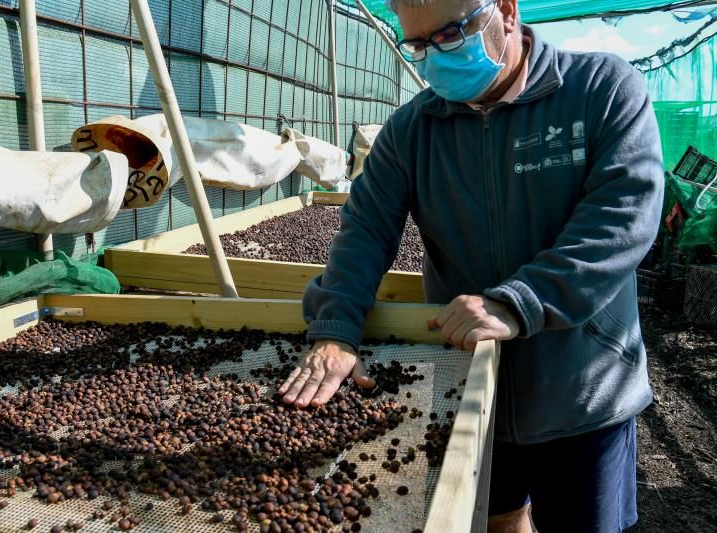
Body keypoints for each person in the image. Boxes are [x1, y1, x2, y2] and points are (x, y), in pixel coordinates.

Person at [278, 0, 665, 531]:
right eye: (418, 44)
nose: (433, 56)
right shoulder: (412, 129)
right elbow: (365, 228)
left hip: (581, 390)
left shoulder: (600, 90)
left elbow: (623, 216)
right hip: (468, 382)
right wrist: (336, 328)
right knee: (496, 518)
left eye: (450, 35)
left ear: (504, 12)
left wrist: (519, 301)